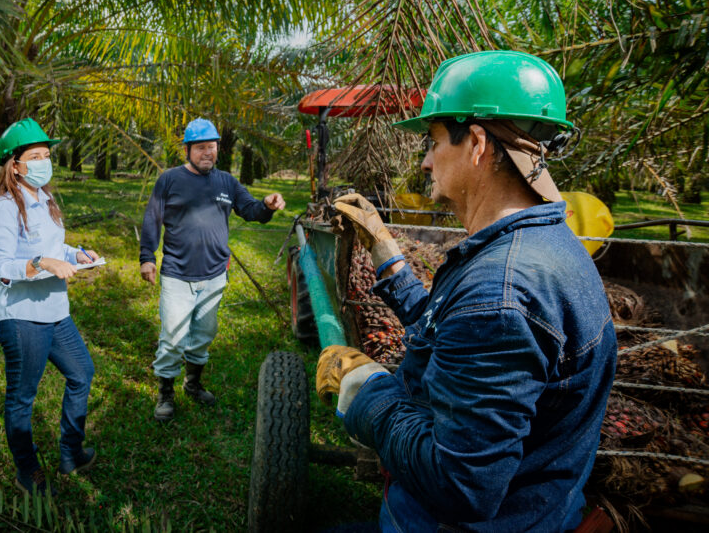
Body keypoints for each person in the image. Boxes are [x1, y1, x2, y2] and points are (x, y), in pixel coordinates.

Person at [316, 51, 616, 531]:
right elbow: (448, 332)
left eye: (434, 142)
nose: (427, 160)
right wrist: (384, 247)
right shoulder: (550, 246)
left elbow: (459, 485)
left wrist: (367, 391)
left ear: (476, 143)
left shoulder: (499, 291)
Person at [0, 118, 99, 495]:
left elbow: (53, 247)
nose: (43, 162)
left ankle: (71, 452)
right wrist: (41, 264)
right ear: (13, 164)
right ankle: (27, 470)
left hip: (55, 311)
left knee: (82, 373)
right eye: (34, 156)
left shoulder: (45, 199)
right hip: (21, 318)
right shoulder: (2, 208)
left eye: (46, 155)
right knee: (22, 397)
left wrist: (76, 254)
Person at [140, 118, 286, 422]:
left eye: (213, 146)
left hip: (214, 275)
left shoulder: (226, 182)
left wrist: (268, 205)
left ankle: (192, 384)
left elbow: (250, 210)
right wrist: (147, 257)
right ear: (187, 149)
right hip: (178, 274)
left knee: (204, 334)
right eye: (202, 147)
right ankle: (165, 392)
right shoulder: (169, 180)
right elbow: (152, 218)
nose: (208, 152)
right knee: (172, 336)